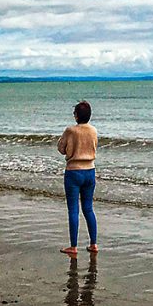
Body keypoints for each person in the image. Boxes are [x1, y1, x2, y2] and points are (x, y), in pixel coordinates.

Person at [57, 100, 98, 255]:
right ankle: (93, 243)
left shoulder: (71, 130)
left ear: (76, 116)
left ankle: (73, 246)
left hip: (74, 171)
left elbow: (61, 148)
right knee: (88, 208)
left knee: (73, 209)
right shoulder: (93, 130)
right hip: (90, 170)